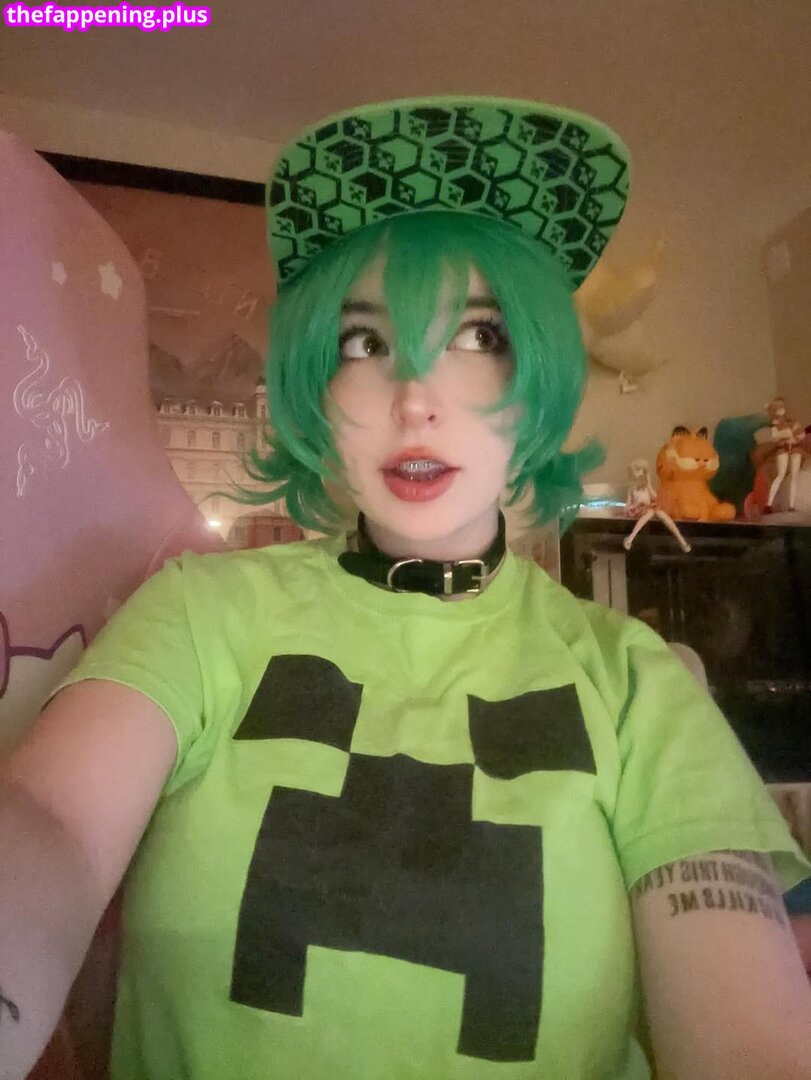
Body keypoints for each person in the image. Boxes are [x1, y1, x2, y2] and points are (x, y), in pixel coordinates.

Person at [1, 97, 810, 1080]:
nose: (415, 398)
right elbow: (51, 824)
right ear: (316, 388)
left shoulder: (639, 685)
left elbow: (748, 1038)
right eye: (363, 345)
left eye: (479, 336)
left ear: (541, 378)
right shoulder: (198, 612)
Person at [622, 457, 691, 552]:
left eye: (640, 470)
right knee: (651, 512)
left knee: (661, 514)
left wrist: (649, 485)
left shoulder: (646, 486)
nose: (637, 473)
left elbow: (655, 497)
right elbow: (628, 506)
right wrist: (634, 506)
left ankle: (681, 540)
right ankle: (630, 538)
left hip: (649, 509)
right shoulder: (631, 489)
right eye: (635, 470)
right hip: (639, 510)